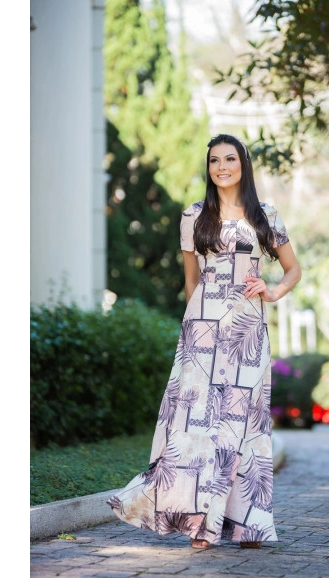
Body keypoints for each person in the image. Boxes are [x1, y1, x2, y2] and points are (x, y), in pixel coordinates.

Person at [107, 133, 302, 549]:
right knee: (198, 423)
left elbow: (293, 270)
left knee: (244, 422)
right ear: (208, 167)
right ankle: (201, 524)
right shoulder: (194, 216)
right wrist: (194, 330)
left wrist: (272, 292)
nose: (222, 167)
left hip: (248, 330)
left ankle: (249, 525)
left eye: (230, 159)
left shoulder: (266, 215)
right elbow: (191, 280)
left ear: (243, 165)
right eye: (215, 160)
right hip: (203, 329)